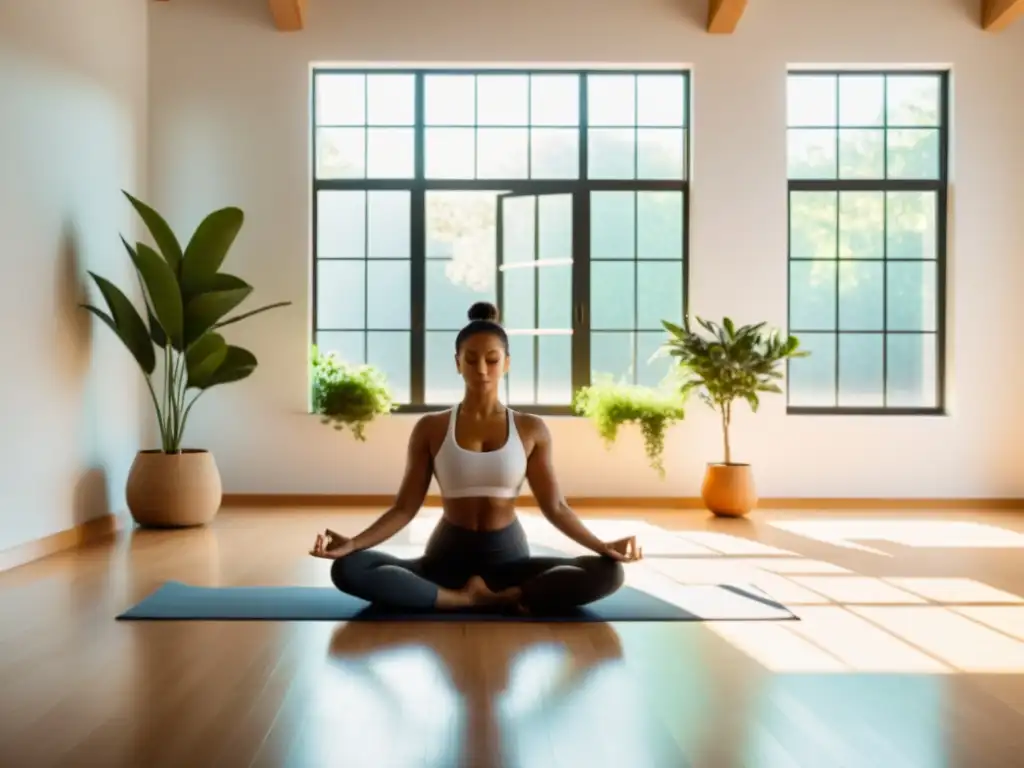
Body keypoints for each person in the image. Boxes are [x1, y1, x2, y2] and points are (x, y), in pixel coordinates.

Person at [309, 301, 643, 615]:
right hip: (444, 561)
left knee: (607, 573)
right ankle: (460, 599)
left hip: (508, 560)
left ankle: (507, 594)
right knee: (348, 568)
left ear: (507, 363)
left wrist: (602, 545)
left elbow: (555, 507)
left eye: (492, 360)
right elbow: (404, 508)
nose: (481, 369)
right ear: (457, 362)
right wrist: (353, 544)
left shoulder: (531, 429)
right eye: (470, 359)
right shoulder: (431, 427)